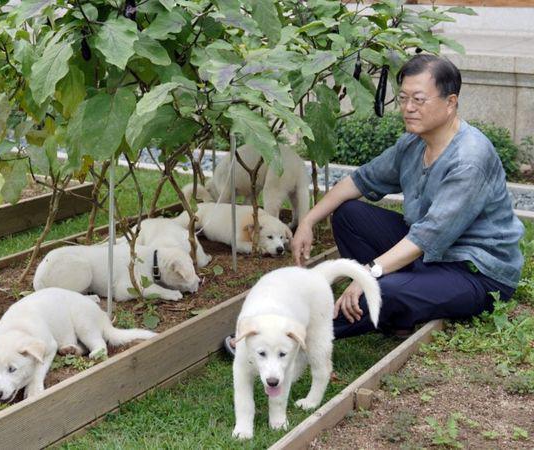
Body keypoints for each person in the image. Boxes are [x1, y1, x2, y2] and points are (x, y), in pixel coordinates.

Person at [223, 54, 523, 354]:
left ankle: (277, 337)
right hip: (431, 257)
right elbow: (358, 182)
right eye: (403, 97)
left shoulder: (469, 159)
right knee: (348, 214)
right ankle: (400, 310)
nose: (408, 108)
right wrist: (308, 221)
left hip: (474, 272)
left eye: (419, 99)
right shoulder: (414, 144)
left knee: (384, 290)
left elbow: (427, 237)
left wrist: (368, 274)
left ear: (450, 102)